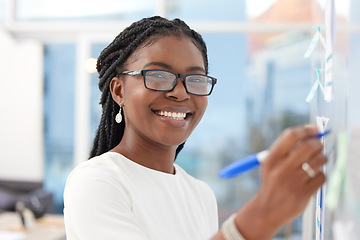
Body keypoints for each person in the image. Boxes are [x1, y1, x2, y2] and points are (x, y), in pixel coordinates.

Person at [63, 16, 327, 240]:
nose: (180, 93)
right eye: (158, 75)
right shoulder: (97, 181)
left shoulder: (201, 194)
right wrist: (259, 218)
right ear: (119, 90)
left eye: (195, 79)